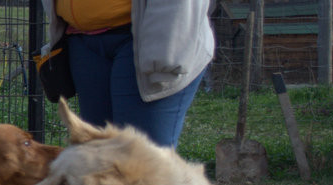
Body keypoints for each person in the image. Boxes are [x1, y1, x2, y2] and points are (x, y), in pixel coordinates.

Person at [42, 0, 214, 148]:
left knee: (139, 163)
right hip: (81, 40)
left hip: (148, 39)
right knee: (97, 158)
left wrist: (166, 50)